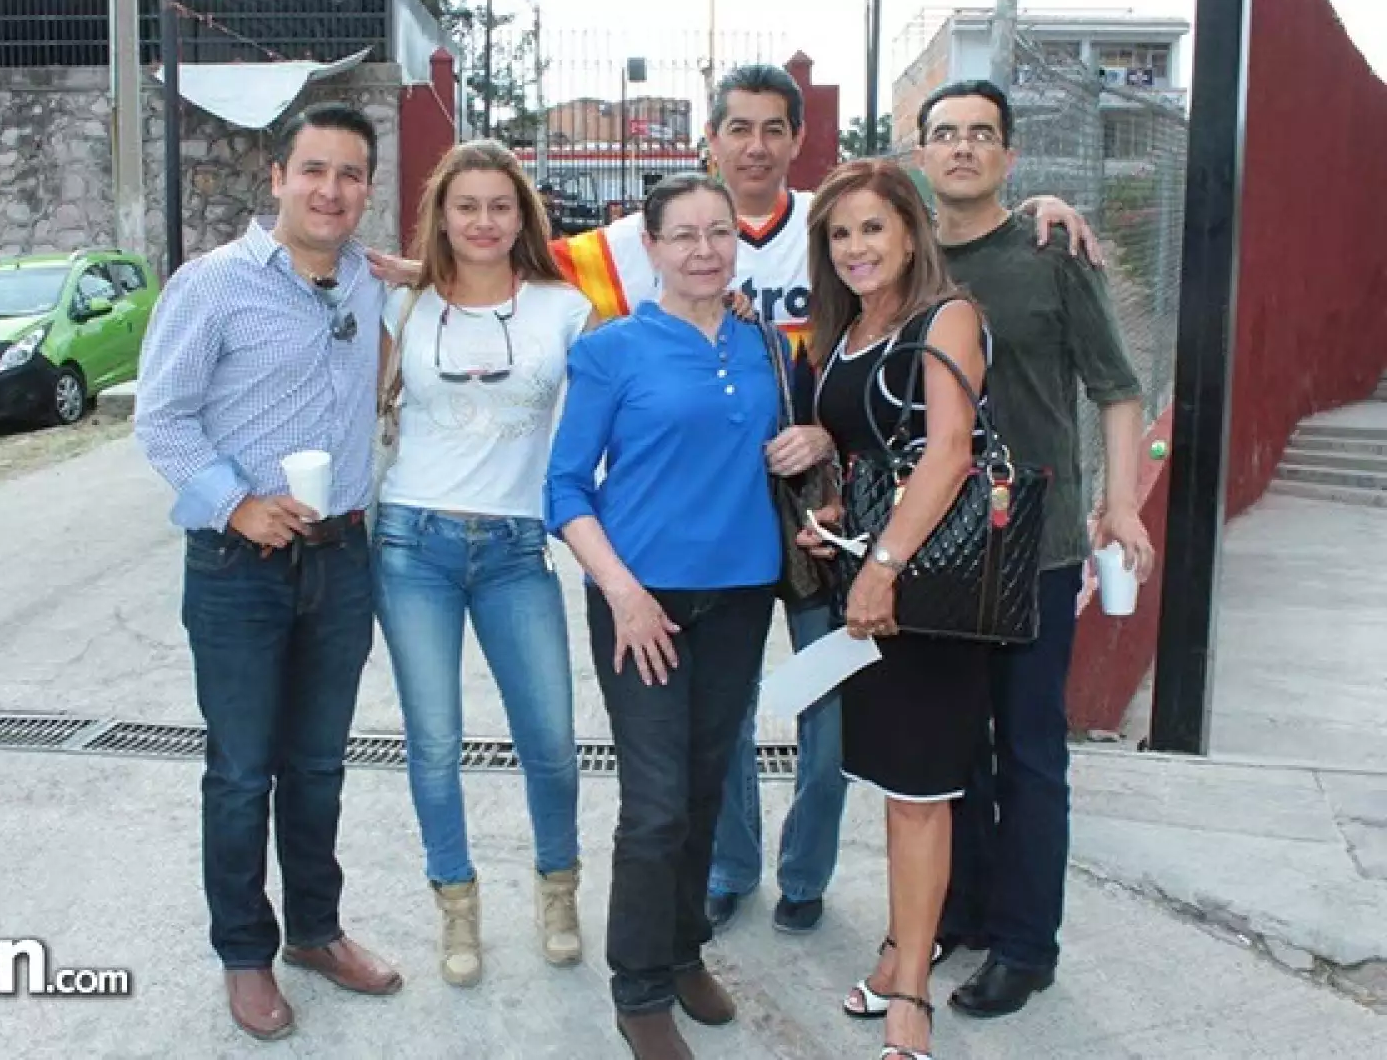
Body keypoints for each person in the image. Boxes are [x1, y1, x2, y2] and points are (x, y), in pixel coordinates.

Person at [370, 65, 1103, 938]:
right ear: (709, 142)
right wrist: (420, 273)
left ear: (798, 140)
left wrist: (1040, 206)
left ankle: (807, 874)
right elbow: (509, 264)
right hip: (716, 538)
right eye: (738, 129)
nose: (755, 145)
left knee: (824, 706)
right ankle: (729, 870)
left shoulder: (832, 221)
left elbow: (933, 218)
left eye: (773, 128)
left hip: (818, 535)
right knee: (728, 726)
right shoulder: (649, 240)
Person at [134, 103, 403, 1042]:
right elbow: (160, 418)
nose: (332, 190)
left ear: (368, 188)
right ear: (278, 177)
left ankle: (317, 931)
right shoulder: (212, 286)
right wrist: (234, 501)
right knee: (244, 770)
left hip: (342, 559)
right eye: (315, 170)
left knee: (320, 764)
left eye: (351, 174)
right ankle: (245, 952)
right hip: (237, 565)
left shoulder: (367, 275)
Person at [912, 80, 1156, 1018]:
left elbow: (1117, 386)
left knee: (1029, 753)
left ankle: (1026, 945)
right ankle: (962, 909)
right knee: (949, 750)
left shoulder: (1053, 250)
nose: (963, 147)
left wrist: (1121, 502)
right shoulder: (901, 252)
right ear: (923, 153)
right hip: (933, 545)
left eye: (982, 134)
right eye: (946, 134)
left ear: (1009, 157)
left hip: (1038, 547)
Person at [545, 172, 781, 1060]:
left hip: (742, 595)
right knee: (653, 804)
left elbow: (786, 443)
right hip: (639, 604)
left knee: (705, 786)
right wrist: (623, 592)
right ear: (650, 248)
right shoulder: (613, 350)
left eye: (719, 232)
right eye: (683, 234)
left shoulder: (765, 344)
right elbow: (565, 488)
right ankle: (638, 984)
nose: (704, 249)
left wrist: (818, 439)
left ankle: (683, 951)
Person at [371, 140, 596, 988]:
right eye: (466, 206)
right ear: (441, 214)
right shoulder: (407, 303)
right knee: (434, 742)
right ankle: (457, 904)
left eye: (500, 206)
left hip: (514, 549)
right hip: (411, 544)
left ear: (522, 215)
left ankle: (558, 889)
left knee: (551, 740)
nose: (483, 221)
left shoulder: (562, 309)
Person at [799, 158, 993, 1060]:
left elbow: (950, 451)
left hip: (930, 589)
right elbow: (873, 452)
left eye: (873, 228)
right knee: (894, 783)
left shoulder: (945, 315)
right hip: (871, 583)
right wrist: (837, 517)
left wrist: (879, 563)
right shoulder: (846, 331)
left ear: (911, 231)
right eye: (840, 233)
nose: (856, 248)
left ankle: (912, 993)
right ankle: (894, 950)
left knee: (921, 794)